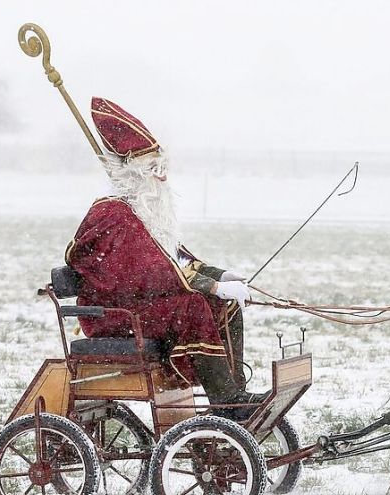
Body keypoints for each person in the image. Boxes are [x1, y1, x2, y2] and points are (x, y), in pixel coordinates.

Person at [66, 97, 259, 405]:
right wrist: (214, 287)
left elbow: (175, 258)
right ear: (133, 173)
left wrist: (220, 276)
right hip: (114, 313)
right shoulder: (115, 215)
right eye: (154, 168)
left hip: (141, 304)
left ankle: (233, 396)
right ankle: (226, 399)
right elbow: (149, 273)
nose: (163, 177)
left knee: (225, 307)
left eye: (164, 167)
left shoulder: (143, 211)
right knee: (194, 307)